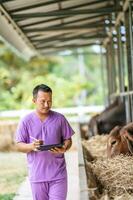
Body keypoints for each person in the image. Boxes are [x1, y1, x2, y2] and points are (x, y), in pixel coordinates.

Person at [15, 84, 75, 200]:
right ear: (34, 100)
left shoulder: (60, 118)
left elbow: (68, 139)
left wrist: (65, 147)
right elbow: (18, 145)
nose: (47, 105)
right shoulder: (25, 121)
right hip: (37, 177)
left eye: (49, 101)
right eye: (43, 101)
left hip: (58, 175)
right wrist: (31, 146)